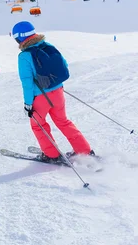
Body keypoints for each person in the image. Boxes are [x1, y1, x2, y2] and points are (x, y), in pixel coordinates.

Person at [12, 21, 94, 162]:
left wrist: (28, 104)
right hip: (58, 92)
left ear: (19, 38)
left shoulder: (24, 56)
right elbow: (64, 65)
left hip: (40, 97)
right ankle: (85, 151)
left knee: (38, 125)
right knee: (63, 121)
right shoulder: (48, 46)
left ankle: (52, 155)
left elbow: (27, 83)